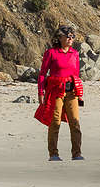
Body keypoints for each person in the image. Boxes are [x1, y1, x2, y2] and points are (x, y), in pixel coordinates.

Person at [33, 25, 84, 161]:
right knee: (54, 123)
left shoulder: (75, 53)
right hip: (56, 91)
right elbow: (43, 74)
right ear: (59, 37)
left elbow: (76, 74)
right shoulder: (51, 53)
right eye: (68, 36)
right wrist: (40, 93)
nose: (71, 39)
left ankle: (77, 153)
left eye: (72, 36)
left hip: (72, 91)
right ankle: (53, 154)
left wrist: (79, 93)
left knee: (75, 122)